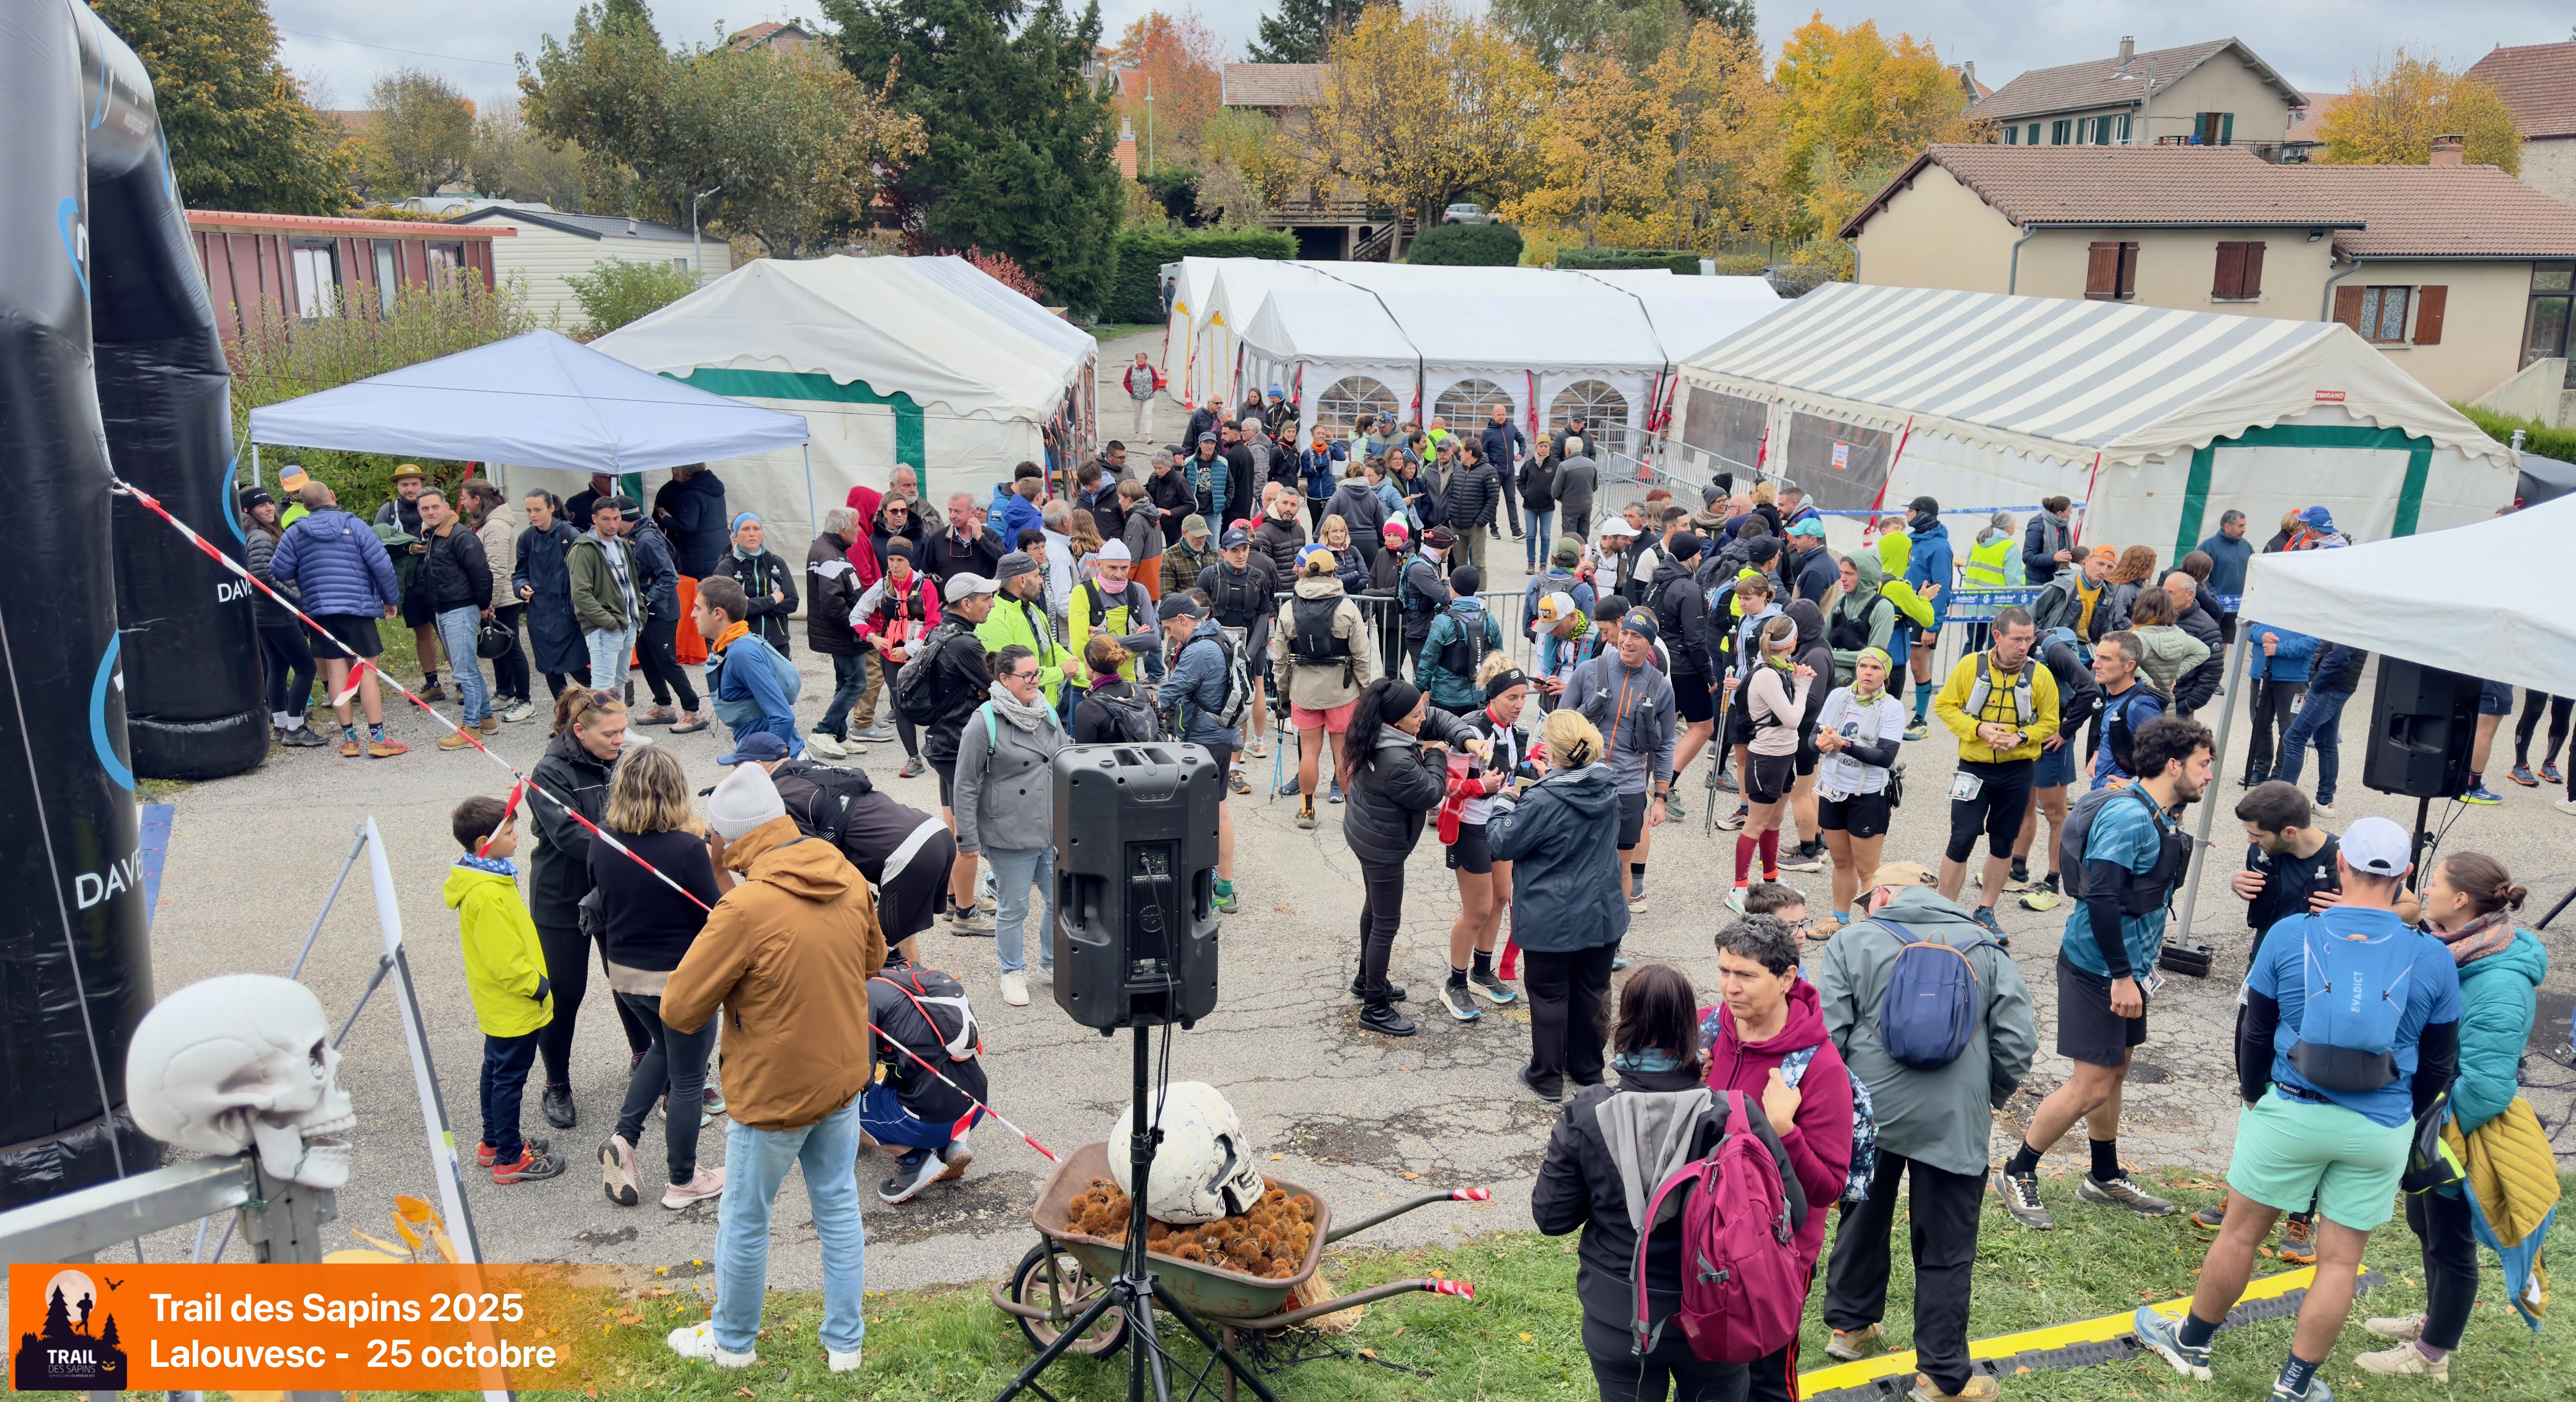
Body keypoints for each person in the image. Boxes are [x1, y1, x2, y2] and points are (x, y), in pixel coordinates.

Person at [2133, 817, 2461, 1402]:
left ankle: (2192, 1343)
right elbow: (2439, 1062)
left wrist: (2257, 1095)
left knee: (2239, 1234)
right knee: (2339, 1262)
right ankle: (2293, 1385)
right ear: (2408, 875)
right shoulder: (2433, 958)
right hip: (2381, 1122)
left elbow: (2255, 1033)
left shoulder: (2290, 935)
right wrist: (2401, 1113)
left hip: (2292, 1107)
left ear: (2340, 866)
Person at [661, 761, 886, 1374]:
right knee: (838, 1206)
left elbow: (679, 1008)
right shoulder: (839, 867)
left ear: (731, 841)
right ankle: (846, 1345)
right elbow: (874, 957)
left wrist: (718, 885)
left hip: (773, 1091)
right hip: (841, 1075)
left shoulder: (744, 908)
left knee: (745, 1217)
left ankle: (733, 1341)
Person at [1814, 862, 2036, 1401]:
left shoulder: (1853, 942)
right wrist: (1990, 1096)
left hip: (1872, 1110)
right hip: (1954, 1117)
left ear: (1886, 893)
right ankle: (1940, 1374)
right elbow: (2018, 1040)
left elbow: (1827, 1033)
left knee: (1862, 1216)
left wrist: (1849, 1102)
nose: (1868, 905)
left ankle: (1849, 1326)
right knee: (1946, 1245)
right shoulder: (1986, 947)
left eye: (1870, 896)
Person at [1532, 962, 1805, 1402]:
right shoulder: (1737, 1114)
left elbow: (1552, 1217)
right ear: (1691, 1031)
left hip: (1619, 1313)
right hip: (1721, 1307)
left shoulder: (1587, 1114)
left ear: (1622, 1025)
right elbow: (1795, 1209)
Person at [1993, 716, 2212, 1230]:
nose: (2208, 776)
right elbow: (2102, 897)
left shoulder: (2162, 812)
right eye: (2203, 765)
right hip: (2100, 969)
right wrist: (2120, 975)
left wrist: (2135, 972)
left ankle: (2103, 1174)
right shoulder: (2130, 818)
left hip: (2131, 968)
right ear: (2174, 764)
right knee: (2091, 1084)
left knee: (2115, 1072)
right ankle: (2017, 1169)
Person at [2355, 852, 2545, 1381]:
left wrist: (2433, 1126)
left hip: (2457, 1131)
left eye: (2435, 882)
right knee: (2426, 1224)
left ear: (2461, 900)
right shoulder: (2455, 948)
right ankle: (2435, 1320)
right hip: (2433, 1121)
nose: (2426, 889)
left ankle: (2432, 1353)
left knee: (2451, 1239)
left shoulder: (2500, 980)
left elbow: (2487, 1084)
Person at [1705, 913, 1857, 1402]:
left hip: (1775, 1255)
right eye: (1725, 971)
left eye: (1746, 975)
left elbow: (1829, 1188)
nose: (1731, 987)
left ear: (1788, 977)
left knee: (1766, 1381)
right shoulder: (1719, 1026)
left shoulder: (1819, 1066)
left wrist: (1786, 1130)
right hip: (1710, 1238)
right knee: (1713, 1370)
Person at [591, 745, 728, 1211]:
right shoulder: (688, 848)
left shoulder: (602, 837)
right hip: (681, 981)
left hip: (627, 975)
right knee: (689, 1082)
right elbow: (717, 914)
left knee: (662, 1050)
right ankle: (683, 1180)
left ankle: (624, 1140)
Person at [528, 689, 651, 1129]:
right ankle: (556, 1083)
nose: (621, 740)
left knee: (629, 980)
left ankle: (644, 1056)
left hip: (614, 889)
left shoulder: (621, 760)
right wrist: (636, 853)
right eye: (611, 733)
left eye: (624, 731)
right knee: (564, 994)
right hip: (562, 898)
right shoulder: (548, 773)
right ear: (579, 731)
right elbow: (569, 836)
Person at [1339, 677, 1484, 1037]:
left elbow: (1436, 716)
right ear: (1396, 721)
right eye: (1415, 715)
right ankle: (1375, 1007)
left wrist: (1465, 737)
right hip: (1382, 845)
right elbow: (1430, 792)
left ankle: (1365, 980)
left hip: (1364, 830)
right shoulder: (1394, 760)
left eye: (1420, 711)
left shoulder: (1377, 728)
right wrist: (1436, 753)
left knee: (1374, 908)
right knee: (1386, 923)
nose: (1423, 718)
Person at [442, 795, 564, 1183]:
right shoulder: (488, 893)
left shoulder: (489, 875)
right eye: (510, 833)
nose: (517, 839)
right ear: (484, 843)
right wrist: (538, 988)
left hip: (499, 1004)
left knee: (495, 1071)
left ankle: (494, 1142)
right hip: (514, 1003)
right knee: (509, 1079)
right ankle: (511, 1159)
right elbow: (504, 961)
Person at [757, 732, 957, 967]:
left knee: (879, 951)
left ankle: (910, 998)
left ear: (759, 766)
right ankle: (919, 995)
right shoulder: (808, 768)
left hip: (908, 855)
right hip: (933, 832)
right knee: (902, 941)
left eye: (737, 766)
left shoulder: (779, 795)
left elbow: (812, 856)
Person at [1931, 607, 2060, 938]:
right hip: (1972, 769)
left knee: (2003, 842)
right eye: (2017, 639)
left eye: (2029, 639)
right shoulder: (1970, 666)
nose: (2024, 646)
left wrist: (2021, 736)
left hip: (2017, 771)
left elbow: (2050, 721)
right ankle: (1945, 911)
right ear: (1998, 636)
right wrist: (1978, 729)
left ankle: (1985, 911)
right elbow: (1944, 705)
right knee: (1961, 838)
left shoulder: (2039, 675)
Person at [952, 643, 1067, 1008]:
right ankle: (1012, 972)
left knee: (1061, 900)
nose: (1036, 681)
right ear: (1004, 679)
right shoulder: (983, 720)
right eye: (1028, 676)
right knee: (1014, 907)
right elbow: (965, 783)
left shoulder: (1046, 710)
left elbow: (1065, 759)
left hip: (1052, 826)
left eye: (1037, 673)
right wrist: (967, 838)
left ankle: (1051, 964)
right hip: (1009, 831)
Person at [269, 481, 407, 758]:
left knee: (335, 672)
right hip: (357, 609)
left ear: (304, 506)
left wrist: (305, 574)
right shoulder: (356, 526)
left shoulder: (296, 532)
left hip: (320, 611)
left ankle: (350, 740)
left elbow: (279, 570)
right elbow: (381, 565)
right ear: (332, 497)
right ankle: (378, 738)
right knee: (367, 670)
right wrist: (390, 601)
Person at [1564, 609, 1677, 915]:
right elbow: (1559, 723)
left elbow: (1667, 744)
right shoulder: (1589, 670)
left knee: (1621, 866)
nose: (1627, 641)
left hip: (1628, 787)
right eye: (1625, 633)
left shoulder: (1660, 687)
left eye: (1637, 636)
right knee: (1575, 859)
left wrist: (1661, 798)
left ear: (1649, 644)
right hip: (1582, 781)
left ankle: (1612, 938)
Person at [1439, 658, 1532, 1022]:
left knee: (1499, 899)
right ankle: (1455, 982)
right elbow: (1443, 783)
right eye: (1512, 697)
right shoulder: (1470, 730)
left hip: (1501, 824)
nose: (1519, 704)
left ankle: (1481, 971)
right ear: (1492, 697)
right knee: (1476, 909)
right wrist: (1480, 787)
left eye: (1523, 697)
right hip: (1470, 828)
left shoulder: (1510, 729)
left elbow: (1508, 774)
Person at [862, 947, 988, 1203]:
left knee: (837, 1108)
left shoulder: (864, 993)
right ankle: (949, 1146)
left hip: (928, 1120)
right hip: (975, 1106)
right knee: (916, 1066)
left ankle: (914, 1159)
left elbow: (857, 1075)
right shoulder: (919, 974)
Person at [1156, 593, 1246, 913]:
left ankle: (1209, 893)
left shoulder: (1199, 650)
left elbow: (1172, 690)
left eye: (1168, 628)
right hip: (1222, 737)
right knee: (1217, 813)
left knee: (1205, 817)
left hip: (1204, 743)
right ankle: (1224, 888)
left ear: (1183, 619)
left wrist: (1147, 703)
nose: (1168, 635)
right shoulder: (1219, 636)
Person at [921, 575, 1001, 931]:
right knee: (966, 831)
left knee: (951, 822)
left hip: (942, 740)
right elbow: (999, 689)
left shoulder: (939, 632)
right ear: (966, 604)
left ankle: (956, 898)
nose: (993, 604)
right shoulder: (964, 644)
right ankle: (967, 914)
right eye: (987, 598)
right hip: (958, 745)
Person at [1278, 544, 1379, 823]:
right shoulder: (1347, 607)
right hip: (1342, 692)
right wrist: (1365, 687)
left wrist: (1284, 688)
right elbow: (1361, 654)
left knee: (1309, 752)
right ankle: (1352, 813)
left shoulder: (1289, 608)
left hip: (1304, 691)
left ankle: (1308, 810)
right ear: (1334, 571)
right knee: (1343, 754)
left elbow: (1280, 657)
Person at [2006, 622, 2104, 907]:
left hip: (2052, 740)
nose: (2020, 646)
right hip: (2026, 736)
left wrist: (2065, 731)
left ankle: (2052, 883)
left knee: (2055, 814)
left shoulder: (2054, 649)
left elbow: (2092, 691)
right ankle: (2017, 869)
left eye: (2023, 639)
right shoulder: (2003, 652)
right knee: (2024, 806)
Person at [1812, 647, 1906, 939]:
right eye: (1863, 666)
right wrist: (1819, 743)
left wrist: (1842, 745)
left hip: (1868, 794)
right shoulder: (1838, 697)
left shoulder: (1892, 707)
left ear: (1886, 675)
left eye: (1876, 668)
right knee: (1841, 861)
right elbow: (1815, 734)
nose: (1867, 672)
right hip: (1832, 788)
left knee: (1868, 868)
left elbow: (1885, 756)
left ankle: (1876, 926)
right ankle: (1840, 919)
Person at [1732, 616, 1812, 910]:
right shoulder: (1767, 673)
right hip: (1766, 757)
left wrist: (1796, 676)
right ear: (1792, 640)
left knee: (1774, 821)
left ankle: (1770, 878)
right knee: (1756, 823)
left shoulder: (1780, 668)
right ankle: (1739, 887)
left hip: (1784, 756)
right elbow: (1792, 720)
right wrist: (1803, 686)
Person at [239, 487, 326, 747]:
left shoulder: (260, 534)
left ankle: (280, 725)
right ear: (248, 511)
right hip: (276, 615)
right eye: (260, 506)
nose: (268, 509)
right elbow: (261, 576)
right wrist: (294, 595)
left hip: (264, 616)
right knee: (307, 667)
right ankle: (296, 728)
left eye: (269, 504)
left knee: (278, 667)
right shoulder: (261, 538)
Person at [850, 539, 940, 778]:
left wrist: (911, 648)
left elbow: (933, 623)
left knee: (934, 700)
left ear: (909, 562)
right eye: (891, 560)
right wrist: (872, 637)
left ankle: (941, 749)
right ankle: (914, 758)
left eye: (900, 560)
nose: (895, 565)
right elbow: (856, 615)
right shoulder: (883, 585)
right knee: (900, 703)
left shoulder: (925, 586)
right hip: (890, 655)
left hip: (921, 653)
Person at [415, 489, 497, 748]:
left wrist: (483, 606)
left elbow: (483, 575)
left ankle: (471, 728)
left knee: (464, 674)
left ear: (447, 506)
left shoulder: (459, 536)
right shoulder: (434, 535)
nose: (430, 512)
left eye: (435, 507)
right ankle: (486, 719)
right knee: (468, 668)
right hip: (443, 610)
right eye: (425, 509)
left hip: (460, 610)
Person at [1197, 527, 1280, 777]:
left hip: (1250, 644)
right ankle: (1207, 756)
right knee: (1212, 695)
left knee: (1247, 697)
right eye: (1235, 551)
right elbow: (1198, 611)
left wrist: (1252, 651)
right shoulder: (1209, 575)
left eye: (1245, 549)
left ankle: (1235, 763)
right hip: (1217, 645)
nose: (1241, 555)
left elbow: (1265, 612)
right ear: (1223, 552)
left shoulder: (1258, 576)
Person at [698, 576, 802, 759]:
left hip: (776, 763)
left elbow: (783, 717)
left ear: (718, 613)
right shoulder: (738, 645)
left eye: (698, 609)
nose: (693, 614)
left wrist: (764, 768)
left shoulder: (742, 653)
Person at [620, 495, 699, 732]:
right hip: (648, 613)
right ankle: (664, 707)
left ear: (626, 519)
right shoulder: (634, 536)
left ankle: (694, 711)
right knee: (647, 659)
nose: (611, 525)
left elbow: (670, 576)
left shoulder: (647, 540)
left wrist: (645, 599)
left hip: (662, 612)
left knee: (666, 662)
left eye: (615, 519)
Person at [1650, 534, 1718, 807]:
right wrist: (1709, 675)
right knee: (1703, 727)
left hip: (1658, 660)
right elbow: (1695, 639)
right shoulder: (1689, 589)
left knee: (1664, 725)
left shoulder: (1657, 578)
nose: (1701, 558)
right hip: (1684, 668)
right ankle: (1665, 784)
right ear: (1690, 556)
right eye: (1699, 554)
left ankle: (1655, 780)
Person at [462, 482, 535, 725]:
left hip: (502, 597)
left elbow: (496, 567)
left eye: (465, 498)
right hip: (495, 598)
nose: (462, 502)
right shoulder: (488, 523)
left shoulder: (496, 526)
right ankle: (505, 694)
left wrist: (488, 602)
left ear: (478, 500)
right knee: (498, 646)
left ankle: (526, 701)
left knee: (512, 647)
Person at [804, 507, 872, 759]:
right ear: (842, 530)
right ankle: (824, 730)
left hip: (837, 631)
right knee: (857, 683)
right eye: (856, 527)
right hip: (843, 632)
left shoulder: (826, 548)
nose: (859, 531)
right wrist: (857, 625)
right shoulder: (830, 555)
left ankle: (840, 736)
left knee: (845, 682)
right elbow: (833, 604)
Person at [976, 551, 1074, 726]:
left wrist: (1091, 675)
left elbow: (1053, 650)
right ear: (1022, 581)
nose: (1042, 581)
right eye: (1037, 576)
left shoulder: (1033, 610)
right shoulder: (996, 618)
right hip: (1017, 716)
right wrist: (1061, 673)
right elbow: (1008, 676)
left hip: (1045, 709)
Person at [377, 465, 447, 697]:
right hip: (410, 583)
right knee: (422, 633)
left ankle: (462, 684)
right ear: (397, 486)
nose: (410, 489)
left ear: (422, 485)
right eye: (405, 484)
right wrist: (408, 548)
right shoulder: (388, 511)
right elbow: (377, 544)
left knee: (446, 631)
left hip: (439, 578)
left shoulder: (432, 507)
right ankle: (432, 684)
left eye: (415, 484)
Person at [515, 490, 587, 701]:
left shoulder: (570, 535)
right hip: (539, 612)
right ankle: (564, 716)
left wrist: (577, 608)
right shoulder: (527, 537)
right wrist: (521, 587)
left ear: (551, 508)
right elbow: (520, 573)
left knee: (576, 666)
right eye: (529, 510)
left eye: (538, 510)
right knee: (550, 668)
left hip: (567, 611)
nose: (533, 515)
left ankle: (608, 702)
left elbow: (584, 575)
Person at [568, 497, 643, 695]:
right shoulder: (583, 548)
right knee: (603, 687)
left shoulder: (622, 545)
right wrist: (609, 622)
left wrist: (638, 617)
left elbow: (632, 584)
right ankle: (603, 727)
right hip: (605, 627)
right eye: (606, 519)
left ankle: (618, 727)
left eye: (616, 518)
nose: (612, 524)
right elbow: (580, 594)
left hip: (628, 623)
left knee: (619, 684)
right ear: (594, 519)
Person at [1416, 563, 1505, 712]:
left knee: (1443, 736)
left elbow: (1427, 662)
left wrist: (1418, 691)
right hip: (1478, 698)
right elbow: (1498, 660)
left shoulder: (1443, 621)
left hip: (1445, 699)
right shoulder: (1489, 620)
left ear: (1453, 588)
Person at [710, 513, 797, 657]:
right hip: (741, 643)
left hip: (777, 643)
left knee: (782, 680)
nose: (752, 534)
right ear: (735, 536)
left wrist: (751, 605)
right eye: (746, 529)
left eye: (756, 529)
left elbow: (793, 602)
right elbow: (731, 609)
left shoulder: (776, 563)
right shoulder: (726, 567)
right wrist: (774, 599)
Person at [1902, 496, 1954, 723]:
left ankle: (1920, 718)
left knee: (1918, 666)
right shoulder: (1912, 540)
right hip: (1904, 610)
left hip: (1924, 616)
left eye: (1911, 511)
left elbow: (1942, 589)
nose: (1906, 515)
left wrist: (1932, 626)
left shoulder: (1941, 548)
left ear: (1922, 514)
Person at [2159, 570, 2226, 716]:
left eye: (2171, 593)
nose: (2164, 598)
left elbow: (2212, 673)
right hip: (2148, 701)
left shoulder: (2207, 629)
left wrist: (2188, 706)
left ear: (2190, 594)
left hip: (2177, 708)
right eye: (2163, 592)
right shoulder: (2156, 616)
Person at [654, 462, 731, 580]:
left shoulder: (690, 494)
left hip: (699, 555)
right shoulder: (714, 487)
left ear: (681, 471)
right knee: (718, 588)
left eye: (675, 467)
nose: (673, 471)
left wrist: (666, 519)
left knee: (701, 591)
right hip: (721, 548)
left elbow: (688, 526)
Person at [1396, 527, 1455, 671]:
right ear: (1446, 547)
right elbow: (1445, 597)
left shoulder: (1429, 563)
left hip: (1428, 631)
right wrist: (1446, 582)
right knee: (1426, 687)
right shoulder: (1420, 568)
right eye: (1451, 548)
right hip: (1420, 635)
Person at [1442, 441, 1501, 572]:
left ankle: (1479, 593)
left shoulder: (1489, 471)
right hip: (1456, 525)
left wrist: (1480, 522)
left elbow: (1493, 499)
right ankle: (1461, 593)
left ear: (1470, 453)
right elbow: (1451, 494)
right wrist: (1450, 515)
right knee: (1460, 564)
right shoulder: (1458, 470)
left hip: (1475, 527)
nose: (1460, 454)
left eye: (1462, 451)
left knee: (1479, 565)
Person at [926, 495, 1006, 588]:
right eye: (950, 510)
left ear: (973, 512)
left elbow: (1003, 564)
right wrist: (939, 600)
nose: (952, 516)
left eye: (957, 511)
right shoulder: (938, 538)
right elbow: (927, 573)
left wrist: (981, 539)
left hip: (982, 601)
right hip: (948, 602)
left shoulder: (990, 535)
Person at [2198, 510, 2254, 643]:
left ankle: (2221, 664)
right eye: (2241, 526)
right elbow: (2199, 575)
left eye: (2245, 525)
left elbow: (2254, 571)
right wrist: (2213, 595)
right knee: (2212, 641)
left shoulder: (2246, 546)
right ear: (2227, 526)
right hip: (2214, 606)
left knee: (2226, 641)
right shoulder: (2208, 546)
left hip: (2237, 607)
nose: (2244, 529)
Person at [2507, 689, 2569, 788]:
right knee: (2534, 711)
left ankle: (2549, 763)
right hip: (2543, 675)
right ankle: (2520, 764)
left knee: (2563, 715)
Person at [1518, 432, 1558, 568]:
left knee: (1546, 536)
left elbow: (1560, 483)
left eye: (1546, 446)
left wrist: (1554, 494)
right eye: (1541, 446)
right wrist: (1525, 493)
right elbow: (1520, 481)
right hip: (1530, 506)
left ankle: (1543, 563)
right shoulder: (1529, 464)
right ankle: (1531, 563)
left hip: (1547, 507)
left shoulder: (1555, 465)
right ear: (1537, 447)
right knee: (1531, 535)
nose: (1544, 449)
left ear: (1549, 448)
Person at [1162, 513, 1217, 600]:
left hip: (1213, 609)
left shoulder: (1215, 555)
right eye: (1197, 536)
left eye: (1204, 535)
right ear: (1184, 533)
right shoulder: (1170, 556)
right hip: (1185, 610)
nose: (1201, 540)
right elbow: (1166, 595)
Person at [2022, 494, 2075, 585]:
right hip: (2036, 581)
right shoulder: (2037, 526)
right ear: (2059, 513)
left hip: (2055, 579)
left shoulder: (2063, 525)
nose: (2071, 513)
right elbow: (2028, 557)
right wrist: (2053, 557)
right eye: (2069, 511)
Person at [1554, 435, 1599, 543]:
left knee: (1569, 541)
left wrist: (1563, 499)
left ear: (1568, 450)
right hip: (1586, 507)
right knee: (1583, 540)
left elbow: (1555, 490)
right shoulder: (1592, 464)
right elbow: (1595, 486)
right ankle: (1583, 559)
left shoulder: (1564, 466)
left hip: (1570, 509)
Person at [1122, 351, 1162, 440]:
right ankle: (1137, 433)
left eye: (1142, 358)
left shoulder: (1150, 368)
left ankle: (1148, 435)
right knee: (1138, 415)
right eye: (1139, 357)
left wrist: (1153, 390)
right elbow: (1126, 381)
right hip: (1136, 397)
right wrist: (1132, 391)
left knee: (1148, 415)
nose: (1140, 359)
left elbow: (1156, 380)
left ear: (1145, 359)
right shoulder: (1131, 369)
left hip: (1149, 397)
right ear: (1137, 359)